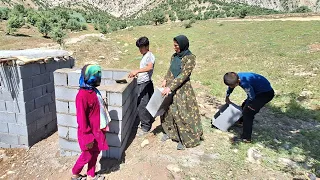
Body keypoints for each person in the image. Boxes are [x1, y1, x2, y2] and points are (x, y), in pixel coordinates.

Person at [161, 35, 203, 150]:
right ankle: (171, 133)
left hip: (182, 90)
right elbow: (170, 69)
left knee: (183, 114)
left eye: (176, 45)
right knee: (169, 111)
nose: (174, 48)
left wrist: (171, 87)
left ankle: (185, 139)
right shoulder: (174, 56)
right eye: (174, 45)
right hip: (170, 88)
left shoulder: (190, 58)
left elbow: (184, 75)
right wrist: (165, 79)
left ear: (183, 45)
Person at [71, 64, 109, 180]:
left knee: (96, 153)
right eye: (96, 75)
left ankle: (91, 175)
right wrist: (87, 137)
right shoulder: (82, 95)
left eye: (99, 74)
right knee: (87, 155)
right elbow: (81, 119)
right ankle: (75, 173)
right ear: (87, 76)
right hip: (87, 133)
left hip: (97, 130)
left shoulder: (94, 91)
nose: (98, 77)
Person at [224, 72, 275, 143]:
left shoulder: (245, 83)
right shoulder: (235, 78)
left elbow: (252, 97)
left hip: (265, 94)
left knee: (248, 113)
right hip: (258, 91)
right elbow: (231, 87)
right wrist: (227, 97)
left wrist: (248, 106)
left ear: (238, 81)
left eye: (233, 85)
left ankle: (246, 138)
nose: (232, 87)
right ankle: (241, 122)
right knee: (244, 105)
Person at [128, 36, 155, 136]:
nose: (139, 50)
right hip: (145, 81)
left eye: (141, 48)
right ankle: (148, 121)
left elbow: (149, 67)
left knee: (142, 105)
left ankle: (145, 127)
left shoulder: (149, 55)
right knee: (146, 103)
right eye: (139, 48)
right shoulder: (145, 55)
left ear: (146, 46)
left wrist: (137, 71)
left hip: (145, 83)